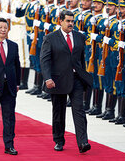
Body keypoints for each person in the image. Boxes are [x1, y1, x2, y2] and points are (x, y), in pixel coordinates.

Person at [40, 10, 93, 153]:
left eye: (72, 21)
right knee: (58, 111)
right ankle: (58, 140)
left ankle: (83, 142)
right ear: (60, 21)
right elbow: (45, 61)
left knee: (79, 110)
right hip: (57, 80)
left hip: (76, 79)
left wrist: (82, 74)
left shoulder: (80, 37)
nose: (71, 24)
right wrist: (47, 78)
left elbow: (81, 59)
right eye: (68, 21)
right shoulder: (50, 38)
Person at [0, 18, 21, 155]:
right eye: (0, 27)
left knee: (9, 117)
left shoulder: (13, 45)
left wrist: (17, 83)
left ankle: (9, 145)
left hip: (9, 87)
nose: (3, 30)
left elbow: (17, 65)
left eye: (5, 27)